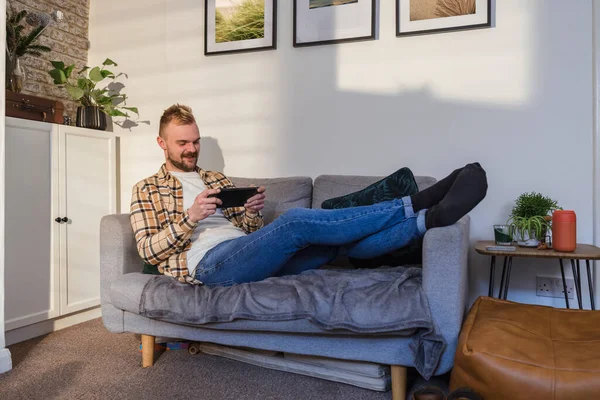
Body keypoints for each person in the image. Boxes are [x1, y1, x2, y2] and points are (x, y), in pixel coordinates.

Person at [130, 104, 488, 286]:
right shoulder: (146, 189)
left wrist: (252, 211)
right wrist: (191, 217)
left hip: (246, 254)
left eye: (195, 141)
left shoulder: (214, 178)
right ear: (162, 143)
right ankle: (418, 202)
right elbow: (148, 249)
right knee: (294, 223)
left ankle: (429, 220)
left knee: (335, 247)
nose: (192, 149)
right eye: (183, 143)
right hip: (209, 265)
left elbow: (250, 233)